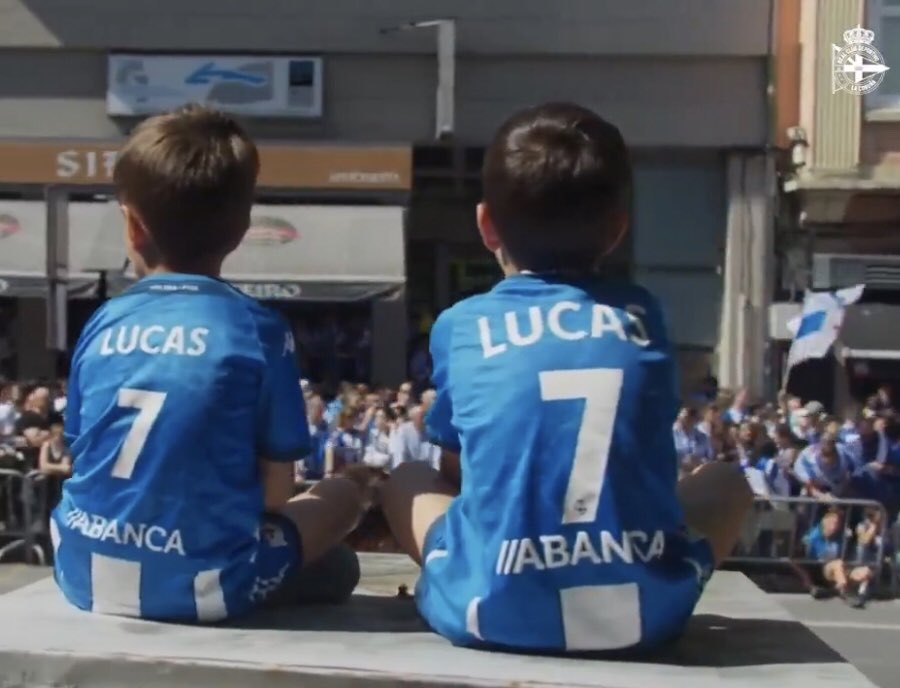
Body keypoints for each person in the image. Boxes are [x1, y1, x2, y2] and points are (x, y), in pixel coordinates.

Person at [380, 102, 752, 653]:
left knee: (407, 478)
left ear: (485, 225)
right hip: (646, 616)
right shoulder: (644, 315)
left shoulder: (462, 326)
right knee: (726, 481)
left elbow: (460, 474)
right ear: (617, 231)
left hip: (494, 609)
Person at [51, 105, 368, 623]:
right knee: (338, 516)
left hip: (81, 570)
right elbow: (274, 494)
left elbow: (83, 455)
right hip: (208, 586)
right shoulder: (257, 328)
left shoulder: (102, 322)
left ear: (132, 227)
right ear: (243, 227)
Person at [672, 406, 712, 475]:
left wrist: (699, 461)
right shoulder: (671, 436)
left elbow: (710, 459)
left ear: (694, 420)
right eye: (679, 417)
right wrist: (681, 460)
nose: (680, 420)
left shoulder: (702, 437)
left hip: (698, 475)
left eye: (685, 418)